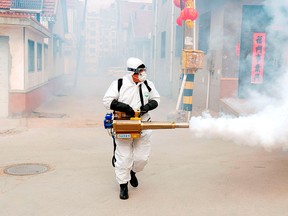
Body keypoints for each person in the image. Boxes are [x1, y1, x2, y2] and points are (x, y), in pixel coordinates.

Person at [103, 57, 160, 200]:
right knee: (124, 157)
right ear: (131, 73)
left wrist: (146, 107)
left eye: (143, 71)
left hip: (144, 124)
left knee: (142, 158)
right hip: (124, 126)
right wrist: (126, 108)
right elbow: (107, 101)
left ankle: (133, 171)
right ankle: (123, 185)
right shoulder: (119, 84)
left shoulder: (147, 84)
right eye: (140, 71)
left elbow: (156, 99)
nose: (142, 74)